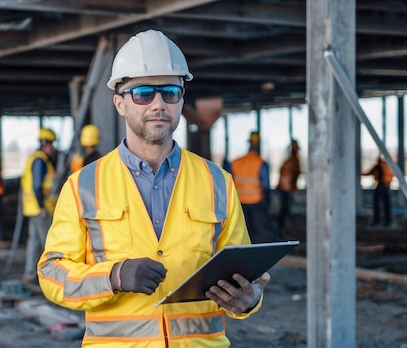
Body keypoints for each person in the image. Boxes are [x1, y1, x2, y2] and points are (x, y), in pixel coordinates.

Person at [37, 29, 270, 347]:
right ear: (120, 103)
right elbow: (52, 274)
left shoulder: (218, 182)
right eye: (143, 93)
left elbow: (242, 272)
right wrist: (113, 276)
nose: (158, 104)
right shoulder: (82, 186)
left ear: (181, 100)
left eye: (170, 92)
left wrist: (250, 300)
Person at [20, 127, 58, 287]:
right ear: (45, 144)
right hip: (40, 209)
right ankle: (54, 279)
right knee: (49, 244)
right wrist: (42, 206)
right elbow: (37, 186)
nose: (53, 148)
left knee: (34, 241)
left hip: (32, 208)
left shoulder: (35, 158)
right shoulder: (40, 161)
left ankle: (29, 275)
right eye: (51, 145)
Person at [231, 131, 274, 243]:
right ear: (259, 145)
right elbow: (266, 186)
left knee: (242, 232)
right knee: (264, 232)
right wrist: (267, 202)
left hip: (239, 202)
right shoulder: (260, 163)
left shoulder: (235, 162)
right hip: (256, 202)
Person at [276, 139, 301, 236]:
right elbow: (295, 175)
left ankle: (281, 229)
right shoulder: (294, 161)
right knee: (285, 210)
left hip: (283, 188)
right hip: (287, 188)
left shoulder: (288, 161)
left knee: (284, 209)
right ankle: (282, 230)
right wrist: (294, 187)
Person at [362, 155, 394, 227]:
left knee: (377, 204)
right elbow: (391, 176)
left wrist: (360, 173)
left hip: (380, 186)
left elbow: (369, 173)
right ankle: (388, 221)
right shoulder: (388, 167)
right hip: (387, 186)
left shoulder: (379, 166)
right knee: (387, 204)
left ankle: (377, 221)